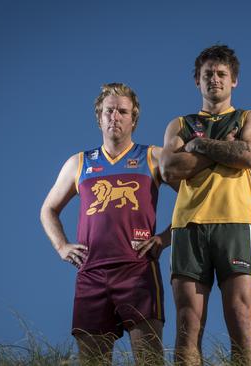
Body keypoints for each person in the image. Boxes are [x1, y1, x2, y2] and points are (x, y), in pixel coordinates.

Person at [40, 83, 170, 365]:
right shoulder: (79, 163)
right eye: (109, 111)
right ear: (98, 116)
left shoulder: (153, 156)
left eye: (122, 111)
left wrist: (164, 238)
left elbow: (192, 200)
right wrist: (61, 246)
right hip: (91, 272)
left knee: (149, 358)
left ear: (133, 119)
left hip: (137, 268)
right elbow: (48, 209)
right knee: (92, 361)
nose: (115, 117)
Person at [159, 45, 251, 365]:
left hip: (234, 222)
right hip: (187, 225)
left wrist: (199, 145)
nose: (215, 80)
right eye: (208, 74)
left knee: (240, 315)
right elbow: (169, 170)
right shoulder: (179, 123)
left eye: (222, 74)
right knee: (187, 323)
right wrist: (225, 149)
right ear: (197, 80)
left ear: (234, 80)